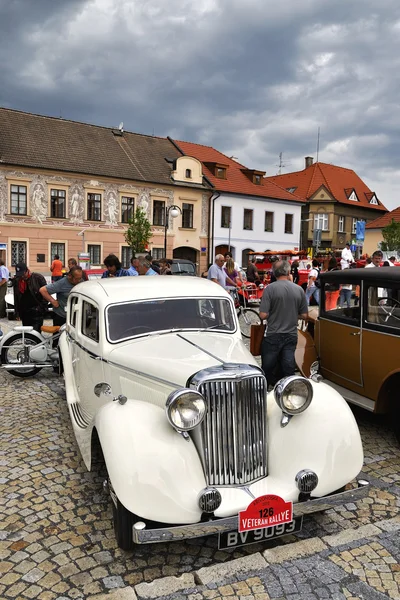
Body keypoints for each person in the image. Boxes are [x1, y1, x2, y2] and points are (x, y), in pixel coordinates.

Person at [259, 261, 308, 388]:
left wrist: (275, 312)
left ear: (274, 273)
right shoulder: (299, 289)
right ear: (288, 272)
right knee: (288, 364)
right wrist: (291, 313)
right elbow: (304, 315)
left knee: (268, 365)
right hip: (291, 333)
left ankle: (265, 387)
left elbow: (263, 315)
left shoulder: (270, 289)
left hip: (273, 333)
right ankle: (288, 389)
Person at [13, 263, 48, 332]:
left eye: (23, 274)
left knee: (36, 334)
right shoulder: (17, 280)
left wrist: (41, 308)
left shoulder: (38, 278)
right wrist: (17, 312)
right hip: (24, 311)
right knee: (27, 334)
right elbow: (16, 297)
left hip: (37, 311)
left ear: (27, 270)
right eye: (20, 275)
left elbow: (46, 294)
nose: (22, 276)